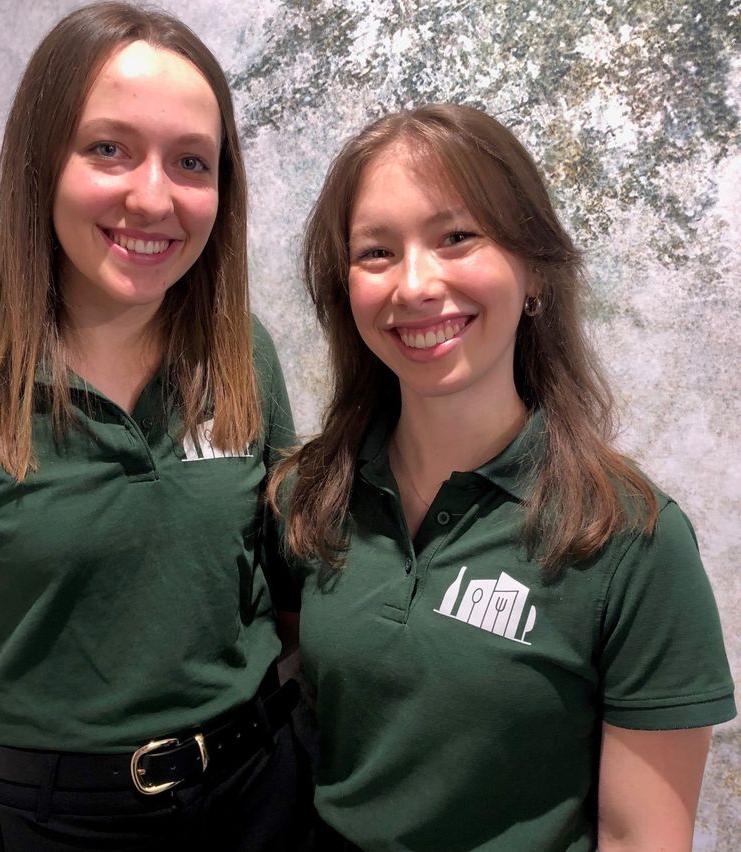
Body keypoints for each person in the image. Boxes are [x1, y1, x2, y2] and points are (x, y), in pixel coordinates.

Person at [0, 3, 309, 849]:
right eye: (109, 149)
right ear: (41, 161)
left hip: (260, 797)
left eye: (192, 161)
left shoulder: (241, 353)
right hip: (46, 820)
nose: (152, 197)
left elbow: (293, 601)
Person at [269, 104, 736, 851]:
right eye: (377, 252)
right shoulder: (309, 497)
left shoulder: (630, 538)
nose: (416, 284)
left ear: (534, 269)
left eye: (457, 237)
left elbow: (641, 838)